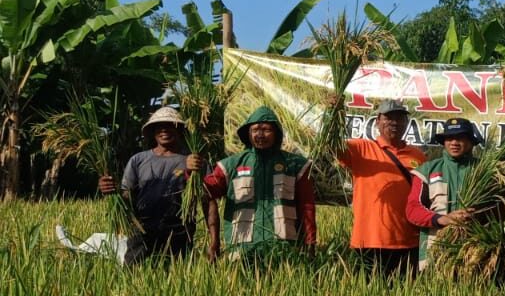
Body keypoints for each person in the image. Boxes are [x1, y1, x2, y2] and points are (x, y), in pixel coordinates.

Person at [200, 105, 315, 256]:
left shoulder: (296, 165)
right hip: (241, 251)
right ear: (248, 134)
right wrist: (193, 172)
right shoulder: (231, 165)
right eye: (255, 130)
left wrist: (310, 244)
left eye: (267, 130)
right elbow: (206, 191)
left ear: (277, 134)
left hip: (283, 249)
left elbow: (306, 207)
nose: (260, 135)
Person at [98, 104, 201, 262]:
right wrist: (111, 191)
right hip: (142, 230)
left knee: (177, 277)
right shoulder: (138, 160)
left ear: (179, 129)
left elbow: (208, 199)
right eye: (159, 127)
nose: (164, 130)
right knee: (134, 273)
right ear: (153, 132)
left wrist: (215, 240)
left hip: (178, 232)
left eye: (169, 126)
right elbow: (127, 195)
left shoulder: (192, 161)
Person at [337, 99, 425, 276]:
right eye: (388, 118)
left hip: (409, 242)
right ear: (377, 121)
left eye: (400, 118)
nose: (394, 123)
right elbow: (331, 146)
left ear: (407, 123)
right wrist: (332, 115)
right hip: (369, 240)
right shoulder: (360, 149)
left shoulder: (418, 155)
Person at [404, 117, 484, 266]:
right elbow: (412, 209)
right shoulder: (428, 170)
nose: (454, 142)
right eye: (449, 138)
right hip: (435, 252)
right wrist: (441, 219)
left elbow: (504, 207)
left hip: (475, 252)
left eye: (460, 137)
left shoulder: (485, 170)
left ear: (471, 142)